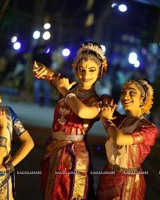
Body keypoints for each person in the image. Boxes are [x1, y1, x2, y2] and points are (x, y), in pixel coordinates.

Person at [33, 41, 108, 200]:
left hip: (73, 155)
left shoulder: (98, 101)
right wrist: (40, 69)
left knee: (67, 193)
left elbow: (82, 111)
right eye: (81, 69)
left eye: (92, 70)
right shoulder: (69, 87)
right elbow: (46, 71)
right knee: (49, 189)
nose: (86, 75)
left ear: (100, 72)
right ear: (75, 68)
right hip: (53, 147)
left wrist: (64, 91)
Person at [96, 79, 158, 200]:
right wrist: (105, 99)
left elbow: (120, 139)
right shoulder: (120, 120)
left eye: (132, 93)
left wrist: (106, 120)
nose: (125, 96)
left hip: (128, 181)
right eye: (124, 92)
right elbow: (103, 101)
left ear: (143, 99)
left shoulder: (149, 129)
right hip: (108, 175)